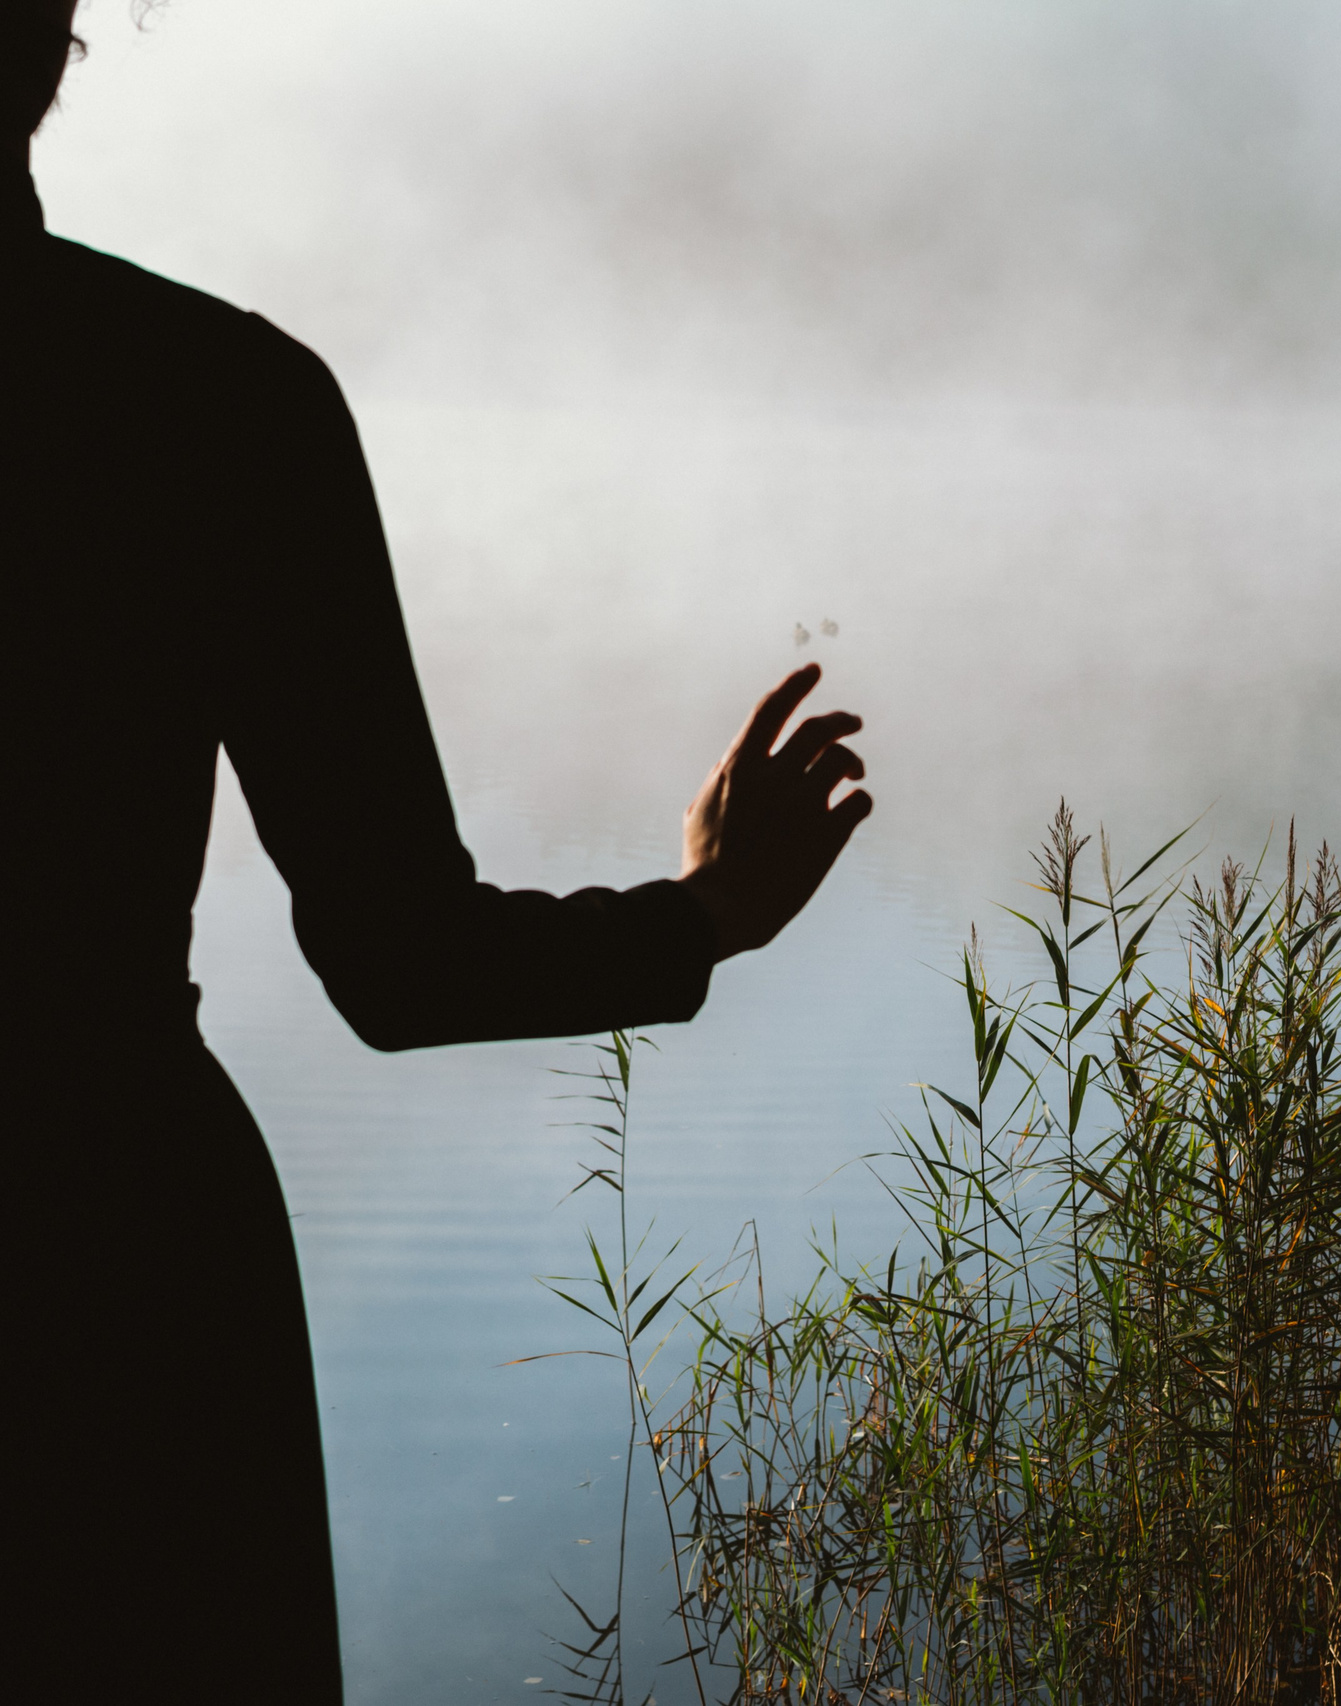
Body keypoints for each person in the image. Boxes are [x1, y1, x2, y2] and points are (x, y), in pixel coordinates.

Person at [3, 5, 870, 1697]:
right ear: (48, 42)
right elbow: (398, 964)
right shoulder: (218, 403)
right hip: (119, 1259)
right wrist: (706, 912)